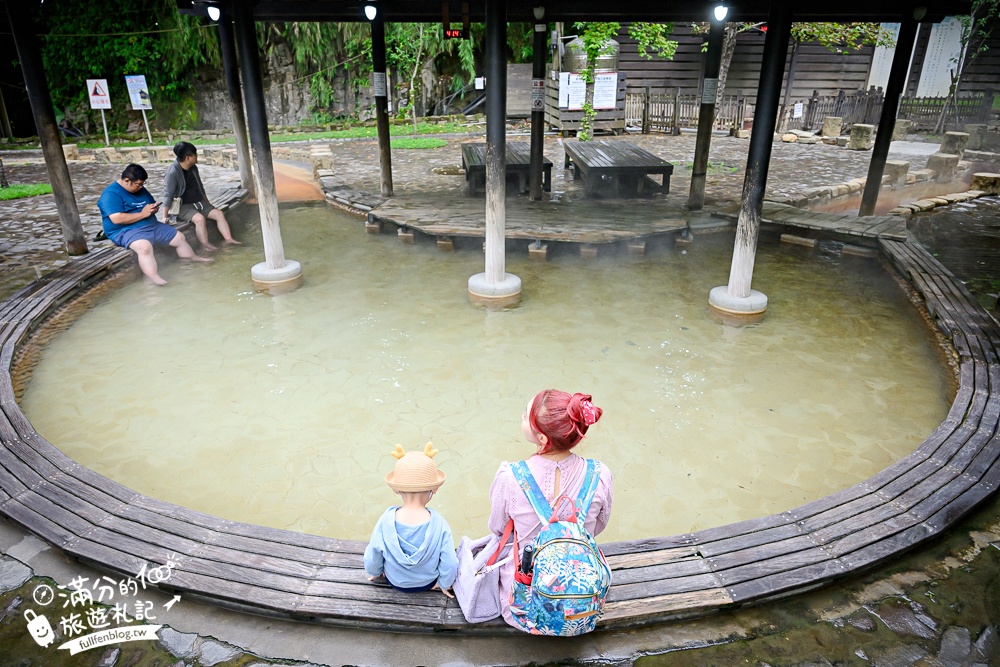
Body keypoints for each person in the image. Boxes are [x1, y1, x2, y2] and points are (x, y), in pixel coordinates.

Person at [488, 390, 613, 630]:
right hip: (583, 600)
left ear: (543, 439)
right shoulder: (600, 474)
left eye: (525, 416)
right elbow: (598, 526)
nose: (521, 418)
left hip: (525, 600)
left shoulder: (511, 477)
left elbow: (498, 528)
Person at [364, 443, 458, 597]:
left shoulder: (386, 520)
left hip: (394, 581)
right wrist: (444, 583)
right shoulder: (439, 523)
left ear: (395, 489)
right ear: (435, 489)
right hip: (427, 583)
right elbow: (450, 562)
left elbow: (374, 553)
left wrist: (374, 571)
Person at [97, 163, 211, 285]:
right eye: (138, 184)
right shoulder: (110, 194)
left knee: (179, 238)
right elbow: (116, 218)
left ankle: (191, 258)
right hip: (125, 230)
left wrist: (153, 209)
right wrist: (143, 214)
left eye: (142, 184)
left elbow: (149, 204)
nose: (141, 187)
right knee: (144, 248)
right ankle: (154, 277)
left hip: (151, 225)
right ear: (126, 180)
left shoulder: (140, 189)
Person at [163, 141, 241, 252]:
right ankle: (205, 245)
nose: (197, 157)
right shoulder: (172, 173)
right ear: (188, 158)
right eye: (195, 154)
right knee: (200, 219)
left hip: (199, 203)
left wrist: (208, 204)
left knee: (219, 214)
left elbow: (200, 187)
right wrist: (164, 217)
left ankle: (228, 239)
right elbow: (168, 195)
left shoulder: (193, 168)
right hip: (183, 207)